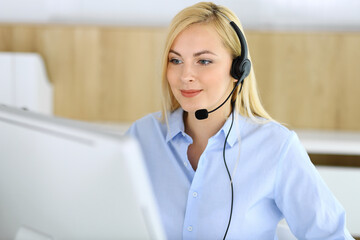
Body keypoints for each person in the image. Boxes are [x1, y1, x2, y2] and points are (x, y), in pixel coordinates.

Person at [127, 2, 353, 239]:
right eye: (176, 60)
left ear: (238, 70)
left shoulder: (276, 147)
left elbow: (332, 235)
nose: (185, 76)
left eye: (203, 61)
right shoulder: (140, 137)